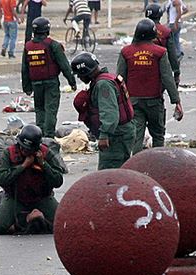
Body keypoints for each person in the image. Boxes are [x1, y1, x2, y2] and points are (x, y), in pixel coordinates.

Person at [0, 124, 64, 235]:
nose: (24, 151)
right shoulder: (9, 153)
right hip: (15, 197)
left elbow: (58, 180)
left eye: (28, 150)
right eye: (22, 148)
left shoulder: (45, 154)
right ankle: (13, 217)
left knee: (63, 223)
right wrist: (23, 166)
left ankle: (34, 222)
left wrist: (43, 164)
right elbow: (2, 179)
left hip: (41, 197)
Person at [116, 19, 183, 155]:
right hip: (154, 102)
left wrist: (119, 102)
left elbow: (119, 79)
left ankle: (137, 169)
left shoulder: (126, 52)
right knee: (158, 136)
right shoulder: (160, 52)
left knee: (136, 138)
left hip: (133, 102)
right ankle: (158, 166)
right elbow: (167, 78)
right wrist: (176, 101)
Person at [71, 52, 136, 170]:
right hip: (120, 132)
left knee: (109, 173)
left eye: (79, 75)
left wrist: (104, 135)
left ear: (86, 71)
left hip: (116, 136)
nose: (79, 78)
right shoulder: (106, 79)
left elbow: (110, 113)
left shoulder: (103, 85)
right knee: (118, 170)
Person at [22, 17, 77, 138]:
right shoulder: (53, 45)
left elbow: (24, 68)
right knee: (50, 110)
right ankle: (48, 136)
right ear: (47, 30)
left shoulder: (28, 46)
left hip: (36, 84)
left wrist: (26, 87)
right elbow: (64, 65)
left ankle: (39, 135)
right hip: (51, 82)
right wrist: (71, 81)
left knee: (40, 110)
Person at [145, 3, 180, 86]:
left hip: (142, 64)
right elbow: (172, 54)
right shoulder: (166, 31)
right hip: (160, 67)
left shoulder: (141, 28)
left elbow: (134, 47)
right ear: (160, 15)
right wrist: (176, 72)